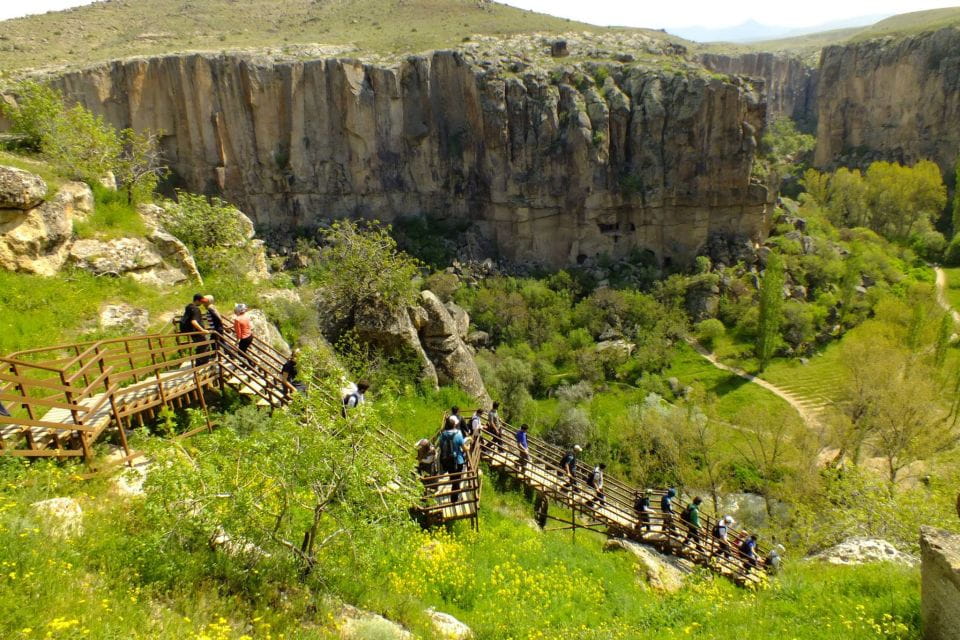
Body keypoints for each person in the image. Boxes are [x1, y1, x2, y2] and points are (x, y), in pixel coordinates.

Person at [438, 418, 466, 502]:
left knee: (453, 478)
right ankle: (454, 499)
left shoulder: (443, 435)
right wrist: (468, 447)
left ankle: (456, 495)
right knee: (457, 479)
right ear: (454, 425)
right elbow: (464, 448)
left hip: (448, 460)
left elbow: (440, 446)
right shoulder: (458, 433)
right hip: (458, 460)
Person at [180, 293, 211, 364]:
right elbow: (193, 321)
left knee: (202, 346)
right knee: (204, 345)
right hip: (196, 332)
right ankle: (200, 364)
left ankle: (201, 363)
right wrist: (202, 330)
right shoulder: (195, 309)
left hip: (192, 331)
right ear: (196, 300)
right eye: (201, 301)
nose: (202, 303)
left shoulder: (189, 306)